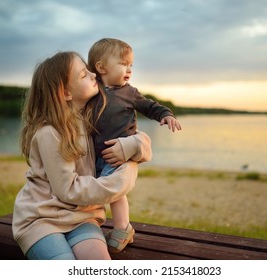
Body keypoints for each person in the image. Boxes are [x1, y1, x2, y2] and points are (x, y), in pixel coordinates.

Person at [12, 51, 152, 260]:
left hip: (83, 218)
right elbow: (68, 190)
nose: (93, 75)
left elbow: (142, 143)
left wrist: (130, 146)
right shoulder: (49, 132)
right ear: (65, 93)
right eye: (83, 75)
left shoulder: (92, 119)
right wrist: (120, 182)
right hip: (41, 220)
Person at [88, 38, 182, 253]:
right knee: (95, 191)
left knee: (117, 192)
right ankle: (93, 225)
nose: (129, 69)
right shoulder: (92, 91)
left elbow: (150, 106)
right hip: (95, 155)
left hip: (121, 153)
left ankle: (122, 229)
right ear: (101, 68)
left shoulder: (130, 93)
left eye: (131, 65)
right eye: (123, 64)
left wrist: (166, 114)